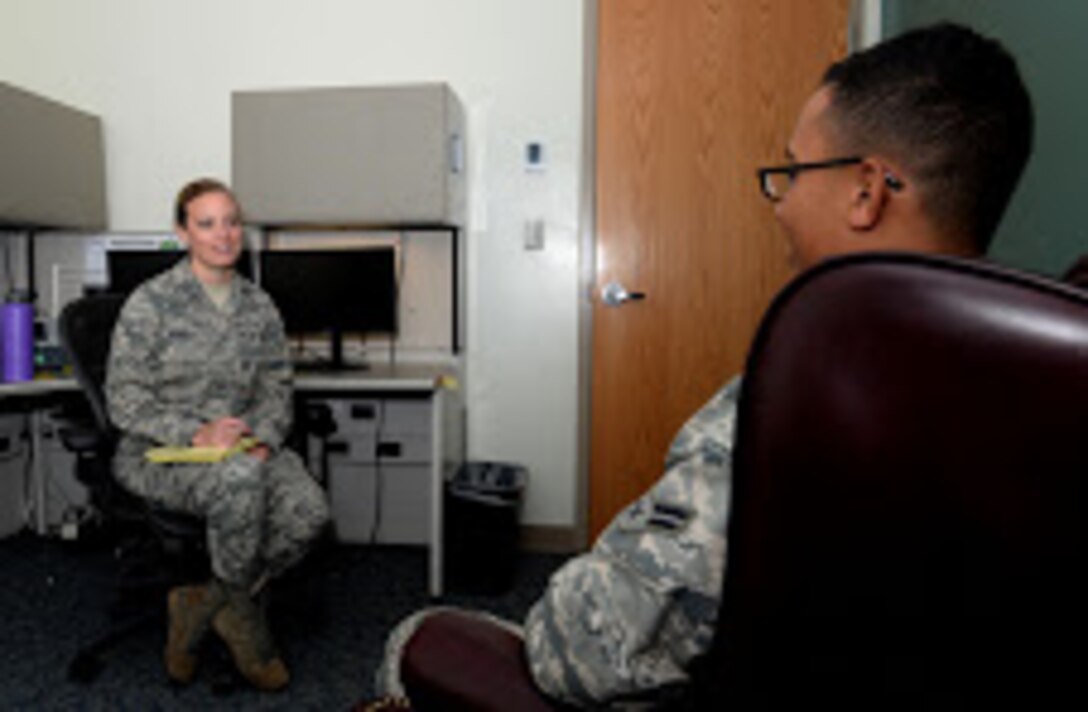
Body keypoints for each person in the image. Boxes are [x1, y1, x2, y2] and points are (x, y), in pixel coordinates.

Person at [377, 22, 1034, 707]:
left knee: (413, 642)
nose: (781, 205)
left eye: (791, 172)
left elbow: (589, 651)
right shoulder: (1036, 387)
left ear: (866, 191)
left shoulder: (819, 386)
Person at [105, 178, 330, 691]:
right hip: (161, 452)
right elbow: (124, 399)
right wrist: (196, 433)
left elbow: (277, 386)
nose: (224, 234)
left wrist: (266, 436)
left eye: (231, 222)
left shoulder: (259, 306)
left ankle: (205, 603)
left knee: (310, 513)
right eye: (207, 224)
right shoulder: (150, 303)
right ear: (183, 233)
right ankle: (245, 624)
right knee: (239, 483)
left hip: (248, 446)